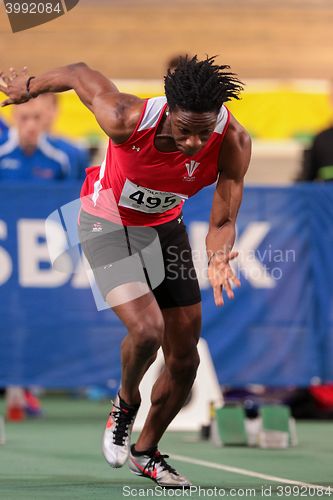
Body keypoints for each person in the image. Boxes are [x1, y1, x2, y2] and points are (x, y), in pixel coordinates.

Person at [0, 56, 251, 488]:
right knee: (148, 330)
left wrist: (219, 256)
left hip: (164, 228)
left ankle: (146, 450)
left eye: (202, 132)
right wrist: (34, 85)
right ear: (168, 110)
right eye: (184, 130)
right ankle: (125, 402)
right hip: (105, 221)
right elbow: (79, 73)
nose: (193, 143)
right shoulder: (125, 118)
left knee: (185, 356)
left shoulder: (233, 140)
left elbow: (223, 221)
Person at [0, 96, 71, 181]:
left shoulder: (61, 156)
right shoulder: (2, 149)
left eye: (37, 117)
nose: (31, 126)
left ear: (45, 118)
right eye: (24, 118)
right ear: (13, 117)